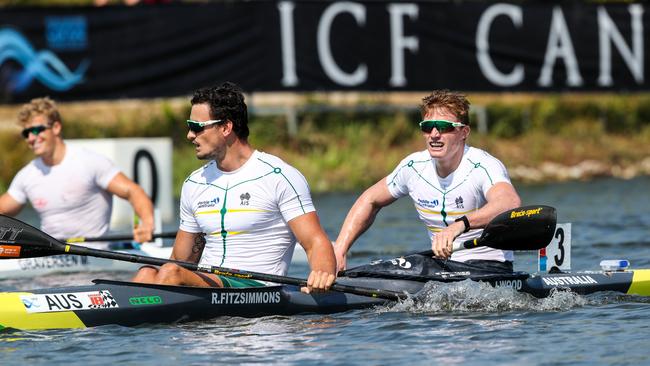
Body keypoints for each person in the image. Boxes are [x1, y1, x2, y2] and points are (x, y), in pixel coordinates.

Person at [132, 82, 336, 293]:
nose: (190, 135)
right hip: (208, 285)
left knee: (171, 274)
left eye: (196, 127)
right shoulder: (194, 183)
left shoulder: (279, 176)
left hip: (257, 289)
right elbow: (181, 260)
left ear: (226, 127)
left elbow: (315, 242)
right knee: (147, 273)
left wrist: (322, 275)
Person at [334, 89, 521, 274]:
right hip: (440, 266)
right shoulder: (413, 166)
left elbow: (509, 202)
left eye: (443, 127)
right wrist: (340, 249)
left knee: (414, 265)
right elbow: (370, 200)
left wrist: (459, 225)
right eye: (427, 127)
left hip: (488, 267)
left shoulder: (483, 166)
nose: (434, 134)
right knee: (392, 267)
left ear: (464, 132)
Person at [0, 97, 154, 244]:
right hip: (50, 257)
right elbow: (2, 209)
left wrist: (146, 223)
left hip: (95, 258)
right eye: (26, 133)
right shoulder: (27, 174)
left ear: (56, 127)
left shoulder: (90, 162)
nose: (32, 138)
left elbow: (133, 192)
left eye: (37, 130)